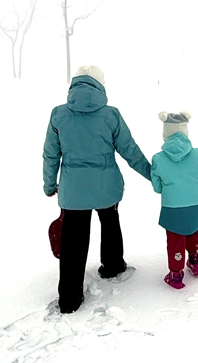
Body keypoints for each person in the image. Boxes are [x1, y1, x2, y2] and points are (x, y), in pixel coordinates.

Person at [43, 65, 152, 313]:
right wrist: (152, 175)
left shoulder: (59, 114)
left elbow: (50, 154)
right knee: (110, 221)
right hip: (106, 186)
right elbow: (130, 150)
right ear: (100, 86)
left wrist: (49, 184)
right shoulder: (111, 115)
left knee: (73, 241)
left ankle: (69, 298)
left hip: (73, 191)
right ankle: (113, 266)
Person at [150, 111, 198, 289]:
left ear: (165, 133)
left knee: (175, 238)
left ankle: (176, 274)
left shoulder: (158, 158)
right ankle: (196, 262)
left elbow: (157, 187)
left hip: (173, 207)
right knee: (193, 229)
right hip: (197, 204)